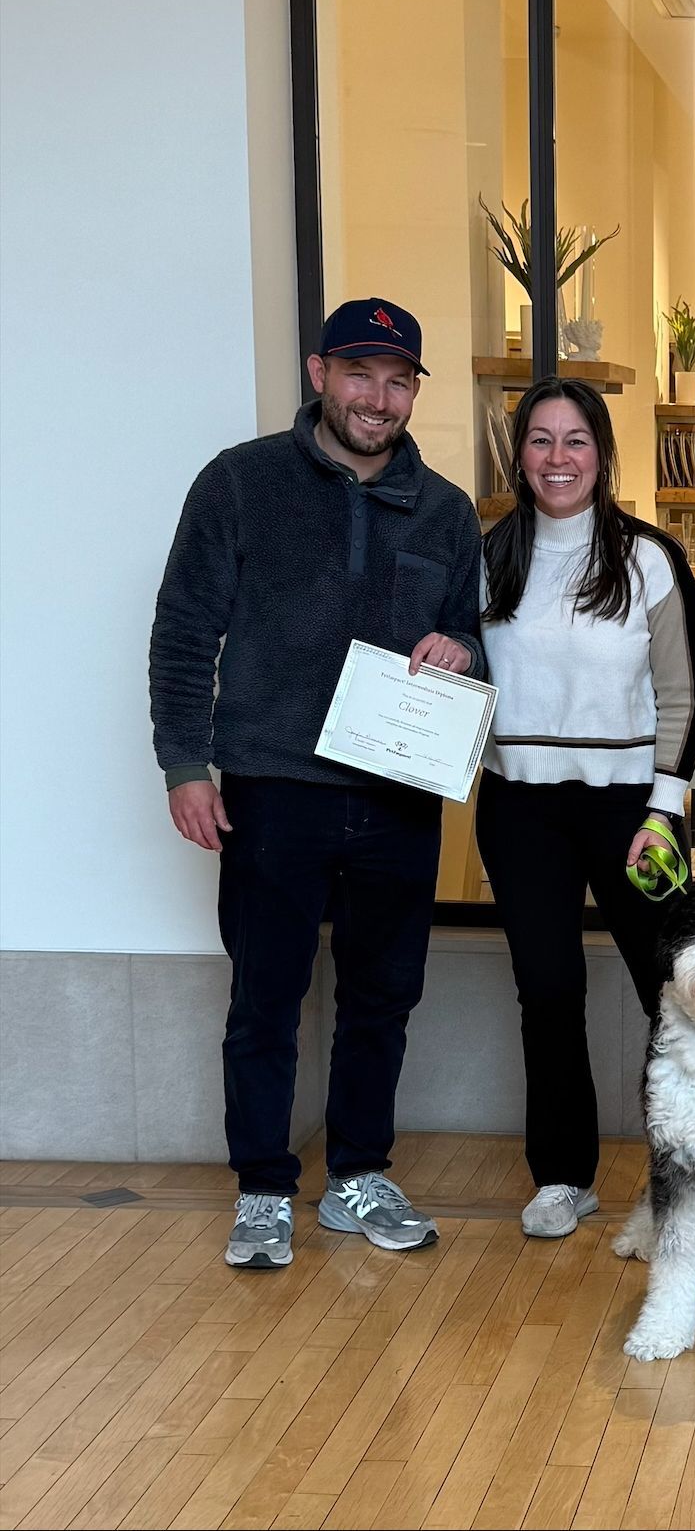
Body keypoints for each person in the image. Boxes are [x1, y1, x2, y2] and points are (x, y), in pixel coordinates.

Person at [150, 298, 485, 1271]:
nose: (377, 397)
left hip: (396, 789)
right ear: (318, 373)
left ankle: (356, 1176)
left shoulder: (448, 509)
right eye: (358, 373)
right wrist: (185, 764)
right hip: (272, 786)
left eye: (396, 378)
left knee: (384, 994)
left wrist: (459, 645)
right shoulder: (239, 484)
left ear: (414, 389)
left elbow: (471, 626)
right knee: (267, 994)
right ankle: (262, 1189)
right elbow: (183, 630)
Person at [475, 376, 695, 1239]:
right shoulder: (488, 554)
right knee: (547, 988)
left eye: (577, 440)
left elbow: (683, 696)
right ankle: (563, 1175)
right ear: (519, 451)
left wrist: (664, 808)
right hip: (519, 809)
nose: (558, 457)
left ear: (603, 453)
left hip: (630, 812)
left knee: (674, 994)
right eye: (541, 439)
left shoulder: (649, 557)